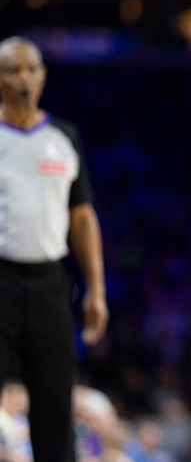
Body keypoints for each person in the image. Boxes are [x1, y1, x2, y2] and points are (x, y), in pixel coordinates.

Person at [0, 36, 109, 462]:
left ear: (43, 76)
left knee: (54, 405)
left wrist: (97, 290)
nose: (23, 77)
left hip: (50, 284)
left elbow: (82, 219)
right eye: (12, 70)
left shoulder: (64, 137)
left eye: (30, 69)